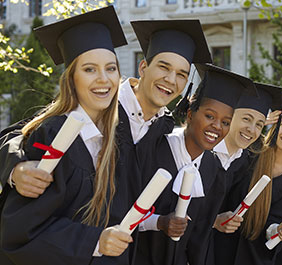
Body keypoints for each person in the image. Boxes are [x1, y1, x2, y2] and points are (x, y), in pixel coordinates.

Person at [0, 19, 212, 200]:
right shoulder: (101, 102)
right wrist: (15, 167)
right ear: (143, 67)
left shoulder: (163, 126)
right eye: (163, 67)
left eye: (182, 74)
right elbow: (25, 132)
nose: (170, 80)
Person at [0, 6, 136, 265]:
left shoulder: (117, 138)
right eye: (89, 69)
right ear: (71, 78)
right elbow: (20, 233)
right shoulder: (51, 135)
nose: (103, 79)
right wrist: (95, 241)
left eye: (111, 68)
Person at [134, 63, 256, 265]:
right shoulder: (154, 149)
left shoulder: (213, 169)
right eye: (209, 116)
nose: (217, 127)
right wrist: (160, 222)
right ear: (190, 114)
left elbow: (201, 237)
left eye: (226, 122)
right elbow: (120, 212)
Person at [213, 90, 282, 265]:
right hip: (219, 247)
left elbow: (273, 224)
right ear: (273, 126)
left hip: (254, 257)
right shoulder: (249, 156)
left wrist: (277, 230)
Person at [212, 82, 282, 235]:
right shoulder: (204, 153)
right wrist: (213, 221)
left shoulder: (243, 161)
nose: (251, 129)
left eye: (259, 124)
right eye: (246, 119)